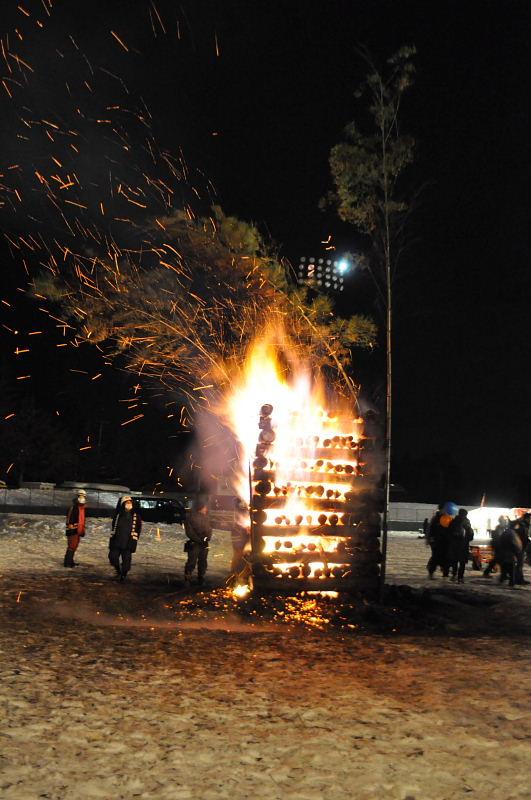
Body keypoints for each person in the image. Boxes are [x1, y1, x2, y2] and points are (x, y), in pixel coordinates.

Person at [108, 496, 142, 581]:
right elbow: (113, 528)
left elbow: (138, 529)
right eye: (127, 503)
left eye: (130, 503)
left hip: (128, 542)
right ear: (123, 504)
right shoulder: (118, 515)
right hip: (117, 541)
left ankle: (123, 575)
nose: (129, 504)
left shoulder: (136, 516)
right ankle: (118, 570)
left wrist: (134, 540)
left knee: (126, 561)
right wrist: (112, 539)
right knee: (113, 557)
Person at [184, 499, 212, 586]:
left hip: (203, 544)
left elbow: (209, 530)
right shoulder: (191, 517)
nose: (206, 509)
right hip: (194, 543)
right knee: (192, 561)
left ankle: (201, 577)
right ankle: (188, 577)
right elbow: (189, 531)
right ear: (201, 508)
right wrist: (199, 539)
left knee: (203, 561)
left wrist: (206, 538)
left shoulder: (206, 518)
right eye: (205, 507)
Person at [426, 501, 458, 578]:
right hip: (437, 542)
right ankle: (431, 571)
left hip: (446, 542)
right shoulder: (436, 518)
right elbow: (430, 530)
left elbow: (451, 530)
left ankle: (444, 571)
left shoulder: (449, 518)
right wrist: (429, 540)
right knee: (436, 557)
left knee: (446, 557)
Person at [448, 508, 474, 583]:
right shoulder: (467, 522)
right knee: (462, 562)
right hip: (463, 545)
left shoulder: (453, 521)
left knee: (455, 561)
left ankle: (454, 575)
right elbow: (470, 534)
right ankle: (460, 577)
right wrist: (468, 538)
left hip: (455, 544)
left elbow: (449, 532)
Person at [64, 490, 87, 568]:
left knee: (74, 546)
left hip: (78, 530)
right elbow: (69, 519)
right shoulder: (73, 508)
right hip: (73, 530)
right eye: (80, 496)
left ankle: (70, 561)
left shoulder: (82, 508)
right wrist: (70, 527)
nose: (82, 498)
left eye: (83, 496)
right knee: (72, 545)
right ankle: (67, 563)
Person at [230, 498, 251, 576]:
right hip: (238, 535)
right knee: (238, 555)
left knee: (243, 555)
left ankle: (238, 573)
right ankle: (233, 574)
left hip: (241, 535)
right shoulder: (240, 511)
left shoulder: (242, 510)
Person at [510, 512, 530, 585]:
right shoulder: (522, 525)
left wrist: (527, 540)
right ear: (526, 518)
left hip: (521, 546)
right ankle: (518, 580)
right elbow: (519, 537)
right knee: (519, 564)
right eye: (529, 518)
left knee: (519, 564)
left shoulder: (524, 525)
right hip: (519, 547)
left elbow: (524, 537)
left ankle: (519, 579)